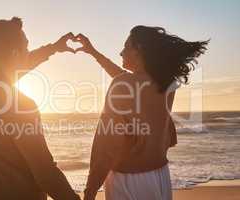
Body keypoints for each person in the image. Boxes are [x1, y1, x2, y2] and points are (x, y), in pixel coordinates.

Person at [75, 26, 208, 200]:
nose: (121, 53)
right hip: (160, 175)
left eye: (126, 47)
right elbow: (126, 78)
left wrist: (90, 190)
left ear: (139, 51)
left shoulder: (123, 85)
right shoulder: (166, 83)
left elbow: (107, 146)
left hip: (128, 180)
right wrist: (93, 52)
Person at [0, 17, 81, 200]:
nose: (28, 52)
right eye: (26, 47)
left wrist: (53, 48)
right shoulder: (21, 105)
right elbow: (44, 171)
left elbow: (12, 69)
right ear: (15, 53)